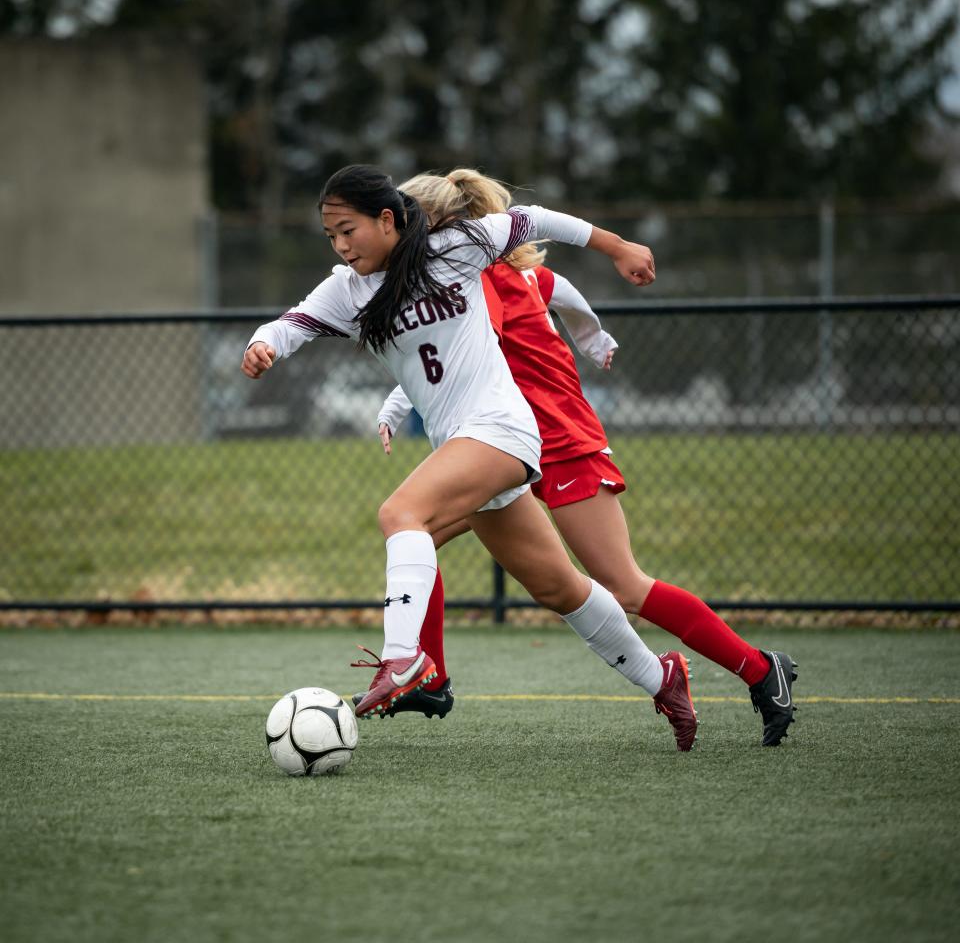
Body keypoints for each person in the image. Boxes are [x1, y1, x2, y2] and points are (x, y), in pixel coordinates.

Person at [242, 164, 698, 751]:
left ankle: (406, 662)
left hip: (502, 429)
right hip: (463, 447)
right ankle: (663, 679)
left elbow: (536, 220)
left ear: (387, 219)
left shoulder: (456, 247)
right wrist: (263, 344)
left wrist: (618, 246)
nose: (340, 244)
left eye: (348, 229)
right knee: (562, 590)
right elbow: (291, 323)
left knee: (400, 514)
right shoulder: (349, 289)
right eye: (331, 235)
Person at [362, 168, 798, 747]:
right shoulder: (490, 273)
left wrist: (592, 334)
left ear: (425, 227)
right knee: (417, 536)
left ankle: (761, 669)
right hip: (499, 446)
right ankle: (431, 675)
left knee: (624, 585)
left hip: (558, 439)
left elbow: (455, 339)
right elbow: (553, 288)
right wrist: (594, 335)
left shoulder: (471, 274)